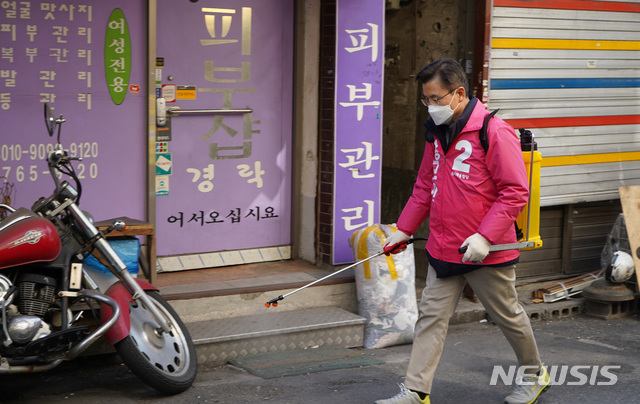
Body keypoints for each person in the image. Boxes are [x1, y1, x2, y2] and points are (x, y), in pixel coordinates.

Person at [375, 58, 550, 404]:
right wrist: (403, 228)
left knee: (508, 316)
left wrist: (485, 236)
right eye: (425, 100)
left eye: (436, 98)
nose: (431, 106)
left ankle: (535, 374)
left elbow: (515, 191)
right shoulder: (436, 133)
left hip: (486, 249)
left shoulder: (494, 131)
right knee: (430, 318)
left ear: (458, 93)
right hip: (444, 246)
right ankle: (416, 390)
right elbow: (425, 185)